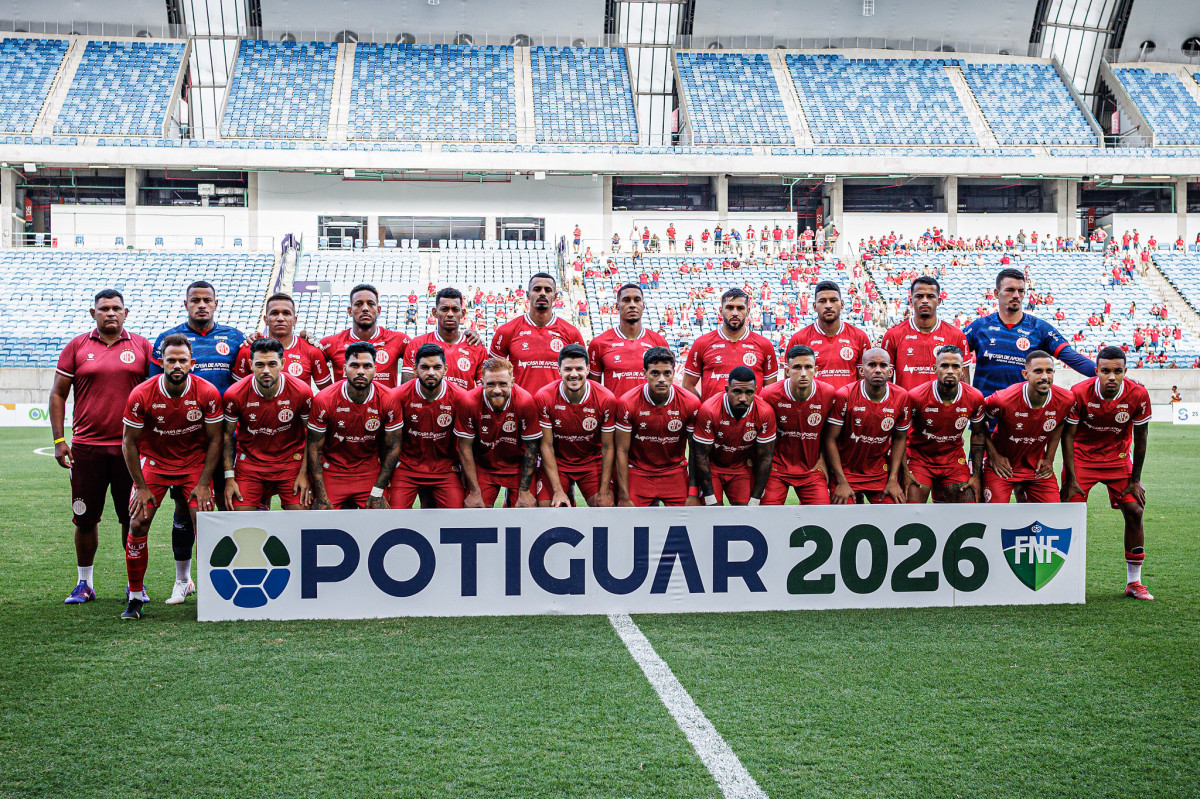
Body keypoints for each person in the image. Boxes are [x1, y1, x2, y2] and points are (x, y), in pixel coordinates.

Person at [52, 289, 153, 604]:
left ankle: (134, 585)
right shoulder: (77, 346)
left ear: (126, 312)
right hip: (87, 449)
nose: (111, 313)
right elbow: (58, 394)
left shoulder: (142, 347)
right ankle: (84, 583)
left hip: (130, 450)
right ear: (93, 313)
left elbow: (159, 391)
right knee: (84, 519)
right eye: (104, 308)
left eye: (116, 308)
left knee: (132, 519)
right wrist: (59, 440)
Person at [149, 281, 244, 600]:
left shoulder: (234, 338)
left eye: (207, 300)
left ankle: (226, 578)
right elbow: (153, 389)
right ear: (186, 303)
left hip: (224, 440)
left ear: (216, 304)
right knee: (183, 509)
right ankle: (183, 579)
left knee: (224, 507)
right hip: (184, 444)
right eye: (195, 300)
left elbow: (242, 385)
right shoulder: (168, 340)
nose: (201, 305)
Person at [119, 334, 223, 619]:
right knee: (138, 523)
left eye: (181, 360)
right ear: (161, 362)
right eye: (170, 360)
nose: (176, 365)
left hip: (193, 465)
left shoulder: (207, 392)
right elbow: (128, 442)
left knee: (205, 523)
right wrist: (140, 487)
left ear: (192, 363)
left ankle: (213, 594)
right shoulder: (142, 394)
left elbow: (215, 441)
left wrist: (203, 484)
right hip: (154, 463)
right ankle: (136, 596)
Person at [1060, 347, 1153, 600]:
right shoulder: (1079, 392)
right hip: (1082, 457)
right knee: (1069, 512)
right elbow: (1067, 438)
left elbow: (1141, 439)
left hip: (1118, 458)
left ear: (1125, 371)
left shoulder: (1138, 394)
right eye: (1105, 371)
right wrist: (1071, 479)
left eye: (1117, 371)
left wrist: (1135, 480)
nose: (1111, 377)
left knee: (1135, 510)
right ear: (1096, 371)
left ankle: (1134, 583)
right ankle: (1064, 581)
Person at [222, 337, 314, 520]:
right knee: (238, 517)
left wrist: (304, 474)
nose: (266, 370)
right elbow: (226, 436)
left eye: (272, 364)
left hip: (290, 462)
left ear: (282, 363)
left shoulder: (301, 391)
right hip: (250, 464)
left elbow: (311, 435)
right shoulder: (235, 394)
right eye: (260, 364)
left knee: (302, 517)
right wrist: (229, 477)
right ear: (250, 364)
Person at [964, 268, 1095, 397]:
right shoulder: (980, 327)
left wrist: (1103, 373)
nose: (1016, 295)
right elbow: (951, 352)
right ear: (997, 293)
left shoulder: (1040, 328)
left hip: (1025, 409)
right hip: (987, 410)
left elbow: (1073, 358)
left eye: (1020, 291)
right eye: (1010, 290)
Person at [306, 342, 400, 510]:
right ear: (344, 369)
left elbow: (393, 447)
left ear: (375, 370)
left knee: (381, 519)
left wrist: (378, 491)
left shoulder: (388, 398)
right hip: (333, 470)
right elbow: (314, 448)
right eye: (354, 365)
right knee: (321, 520)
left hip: (368, 470)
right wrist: (321, 494)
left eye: (367, 366)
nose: (361, 371)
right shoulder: (324, 399)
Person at [982, 350, 1074, 503]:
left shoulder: (1066, 399)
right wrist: (994, 455)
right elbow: (978, 419)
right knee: (994, 515)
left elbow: (1060, 422)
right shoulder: (1003, 399)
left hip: (1036, 467)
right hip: (1001, 466)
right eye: (1038, 371)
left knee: (1052, 515)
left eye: (1049, 371)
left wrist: (1049, 459)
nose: (1045, 377)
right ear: (1025, 374)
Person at [614, 347, 702, 507]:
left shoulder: (690, 402)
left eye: (667, 373)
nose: (661, 379)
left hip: (674, 472)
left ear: (673, 373)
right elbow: (621, 450)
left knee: (689, 522)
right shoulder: (628, 402)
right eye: (655, 373)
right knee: (629, 523)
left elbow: (696, 450)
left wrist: (693, 492)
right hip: (639, 472)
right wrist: (624, 497)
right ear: (644, 373)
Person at [823, 348, 910, 504]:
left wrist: (893, 479)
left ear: (890, 371)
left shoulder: (901, 396)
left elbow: (899, 439)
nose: (878, 370)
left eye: (883, 365)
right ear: (862, 370)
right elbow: (830, 439)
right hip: (846, 472)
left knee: (894, 511)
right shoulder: (845, 395)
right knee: (844, 515)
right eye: (872, 365)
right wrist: (841, 481)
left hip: (878, 473)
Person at [535, 344, 618, 507]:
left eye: (579, 368)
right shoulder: (544, 397)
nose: (574, 374)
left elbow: (608, 447)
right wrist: (558, 490)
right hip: (558, 461)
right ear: (559, 370)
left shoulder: (606, 399)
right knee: (546, 507)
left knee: (605, 507)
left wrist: (603, 492)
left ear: (588, 369)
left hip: (592, 461)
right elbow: (546, 446)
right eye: (568, 369)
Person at [455, 357, 543, 508]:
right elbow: (465, 448)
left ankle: (511, 498)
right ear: (482, 383)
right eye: (490, 384)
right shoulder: (468, 401)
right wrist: (475, 492)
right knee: (475, 511)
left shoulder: (525, 401)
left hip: (517, 467)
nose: (497, 390)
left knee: (526, 510)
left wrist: (524, 491)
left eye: (503, 384)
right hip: (483, 467)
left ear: (512, 382)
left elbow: (532, 448)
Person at [904, 346, 986, 504]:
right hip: (920, 458)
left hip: (952, 459)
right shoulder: (916, 396)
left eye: (955, 366)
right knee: (911, 506)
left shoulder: (975, 397)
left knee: (968, 504)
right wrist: (904, 471)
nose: (950, 371)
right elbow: (899, 435)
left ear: (962, 370)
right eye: (944, 366)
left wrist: (975, 476)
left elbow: (978, 435)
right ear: (935, 369)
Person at [389, 343, 466, 509]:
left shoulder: (460, 397)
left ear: (445, 369)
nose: (431, 373)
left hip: (445, 469)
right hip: (408, 468)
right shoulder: (398, 395)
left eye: (437, 367)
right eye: (425, 367)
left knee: (458, 516)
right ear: (415, 369)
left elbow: (466, 444)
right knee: (393, 515)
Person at [760, 345, 837, 505]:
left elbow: (829, 434)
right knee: (767, 515)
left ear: (815, 369)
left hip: (812, 468)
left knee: (822, 515)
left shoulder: (828, 393)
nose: (803, 373)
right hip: (777, 468)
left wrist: (823, 459)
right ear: (787, 371)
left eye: (808, 367)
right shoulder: (769, 394)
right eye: (797, 367)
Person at [691, 366, 776, 505]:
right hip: (713, 467)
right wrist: (709, 497)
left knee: (744, 514)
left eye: (749, 392)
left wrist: (755, 499)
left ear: (755, 391)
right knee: (714, 512)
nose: (743, 398)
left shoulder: (765, 412)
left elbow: (765, 458)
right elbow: (701, 455)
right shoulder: (709, 410)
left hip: (741, 468)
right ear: (726, 390)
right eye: (737, 391)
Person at [489, 273, 585, 393]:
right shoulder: (507, 331)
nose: (542, 293)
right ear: (528, 295)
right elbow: (493, 374)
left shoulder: (571, 333)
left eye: (548, 290)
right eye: (537, 289)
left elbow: (582, 378)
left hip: (557, 407)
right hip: (520, 407)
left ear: (555, 296)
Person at [682, 288, 778, 400]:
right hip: (713, 417)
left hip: (751, 417)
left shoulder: (764, 345)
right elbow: (687, 385)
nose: (735, 313)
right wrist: (705, 408)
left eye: (740, 308)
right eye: (729, 307)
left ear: (748, 311)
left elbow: (770, 390)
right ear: (720, 310)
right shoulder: (702, 343)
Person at [882, 276, 969, 392]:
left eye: (930, 296)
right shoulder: (893, 335)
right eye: (919, 296)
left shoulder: (956, 335)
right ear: (911, 300)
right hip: (907, 407)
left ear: (939, 301)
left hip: (942, 407)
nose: (924, 300)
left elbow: (965, 384)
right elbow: (885, 384)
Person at [587, 283, 671, 398]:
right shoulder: (599, 343)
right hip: (615, 414)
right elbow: (593, 389)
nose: (632, 305)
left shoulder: (659, 342)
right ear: (617, 306)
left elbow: (666, 384)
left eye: (637, 300)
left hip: (649, 413)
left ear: (643, 305)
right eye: (626, 300)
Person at [231, 293, 331, 389]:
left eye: (286, 313)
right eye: (274, 313)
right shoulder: (248, 350)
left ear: (294, 320)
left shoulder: (311, 351)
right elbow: (237, 393)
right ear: (265, 319)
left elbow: (328, 393)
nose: (280, 318)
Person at [320, 284, 411, 389]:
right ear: (350, 311)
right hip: (345, 405)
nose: (365, 308)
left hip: (386, 405)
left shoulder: (399, 340)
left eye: (371, 304)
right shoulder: (331, 343)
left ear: (378, 310)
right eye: (358, 304)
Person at [787, 281, 872, 389]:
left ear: (842, 304)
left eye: (833, 300)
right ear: (814, 306)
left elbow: (865, 383)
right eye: (822, 301)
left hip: (848, 405)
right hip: (814, 405)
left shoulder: (859, 337)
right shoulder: (799, 339)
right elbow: (790, 383)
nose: (828, 305)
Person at [402, 287, 487, 390]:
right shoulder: (417, 344)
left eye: (455, 310)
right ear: (434, 313)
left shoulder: (476, 347)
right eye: (444, 309)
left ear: (463, 314)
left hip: (462, 406)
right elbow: (407, 390)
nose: (450, 314)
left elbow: (484, 390)